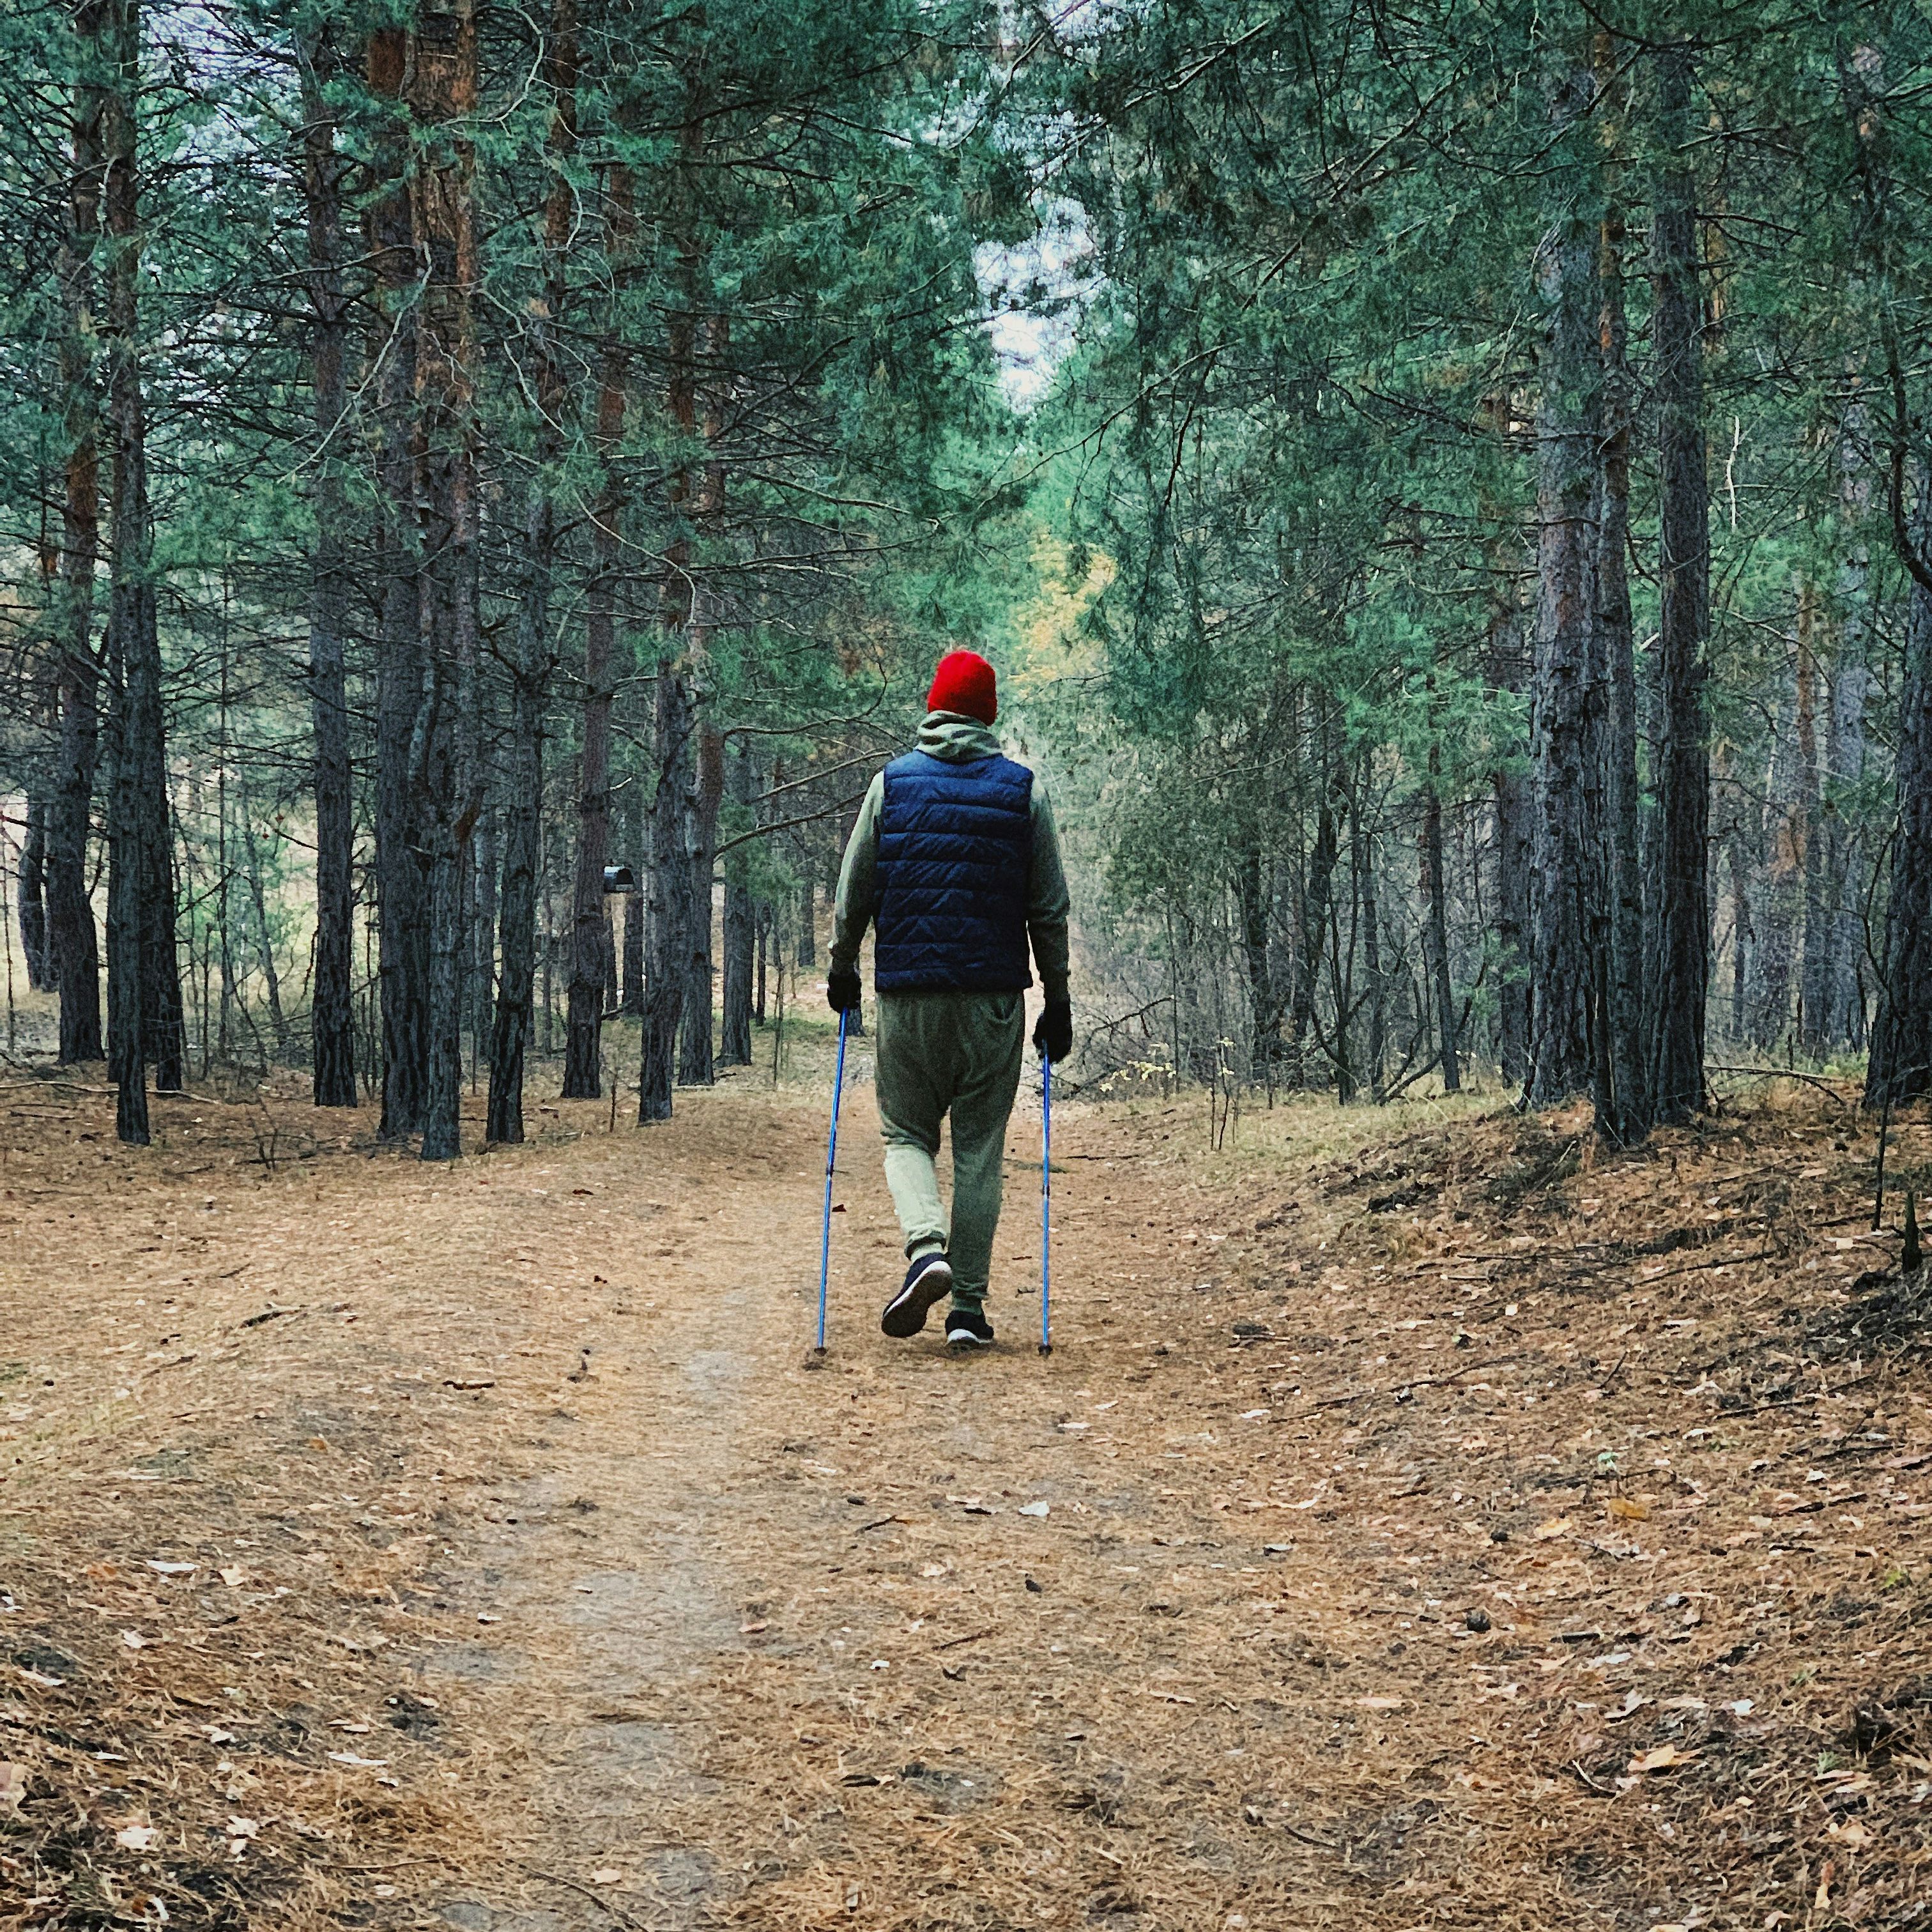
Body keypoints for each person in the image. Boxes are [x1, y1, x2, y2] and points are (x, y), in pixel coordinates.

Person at [827, 650, 1072, 1348]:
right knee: (980, 1150)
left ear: (934, 707)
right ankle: (967, 1308)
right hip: (994, 999)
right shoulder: (1023, 792)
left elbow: (855, 892)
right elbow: (1048, 910)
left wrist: (843, 967)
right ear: (989, 715)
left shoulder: (892, 785)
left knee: (906, 1135)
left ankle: (924, 1248)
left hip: (909, 995)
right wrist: (1059, 1002)